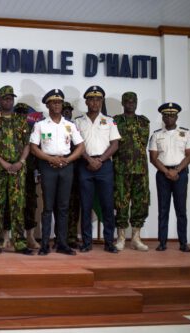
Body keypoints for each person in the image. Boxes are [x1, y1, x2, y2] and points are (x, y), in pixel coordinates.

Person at [30, 89, 84, 256]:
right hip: (48, 166)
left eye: (59, 102)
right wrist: (49, 159)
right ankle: (45, 243)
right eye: (53, 102)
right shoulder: (40, 125)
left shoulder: (70, 125)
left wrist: (68, 159)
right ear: (47, 105)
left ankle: (62, 243)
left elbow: (80, 146)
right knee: (48, 207)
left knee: (63, 207)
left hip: (66, 165)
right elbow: (33, 148)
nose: (57, 105)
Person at [0, 85, 33, 256]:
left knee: (18, 206)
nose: (8, 101)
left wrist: (21, 162)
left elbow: (27, 144)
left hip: (18, 170)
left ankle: (19, 242)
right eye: (5, 98)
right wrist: (3, 163)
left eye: (10, 98)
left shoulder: (21, 120)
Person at [74, 86, 121, 253]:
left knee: (108, 205)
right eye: (92, 99)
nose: (95, 102)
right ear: (86, 101)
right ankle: (87, 242)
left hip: (104, 165)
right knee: (85, 206)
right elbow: (76, 144)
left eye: (98, 99)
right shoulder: (78, 121)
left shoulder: (109, 121)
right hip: (84, 165)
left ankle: (109, 242)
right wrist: (88, 159)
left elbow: (115, 144)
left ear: (101, 102)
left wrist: (100, 159)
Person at [149, 102, 190, 252]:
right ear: (162, 117)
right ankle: (162, 242)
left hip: (180, 174)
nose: (169, 118)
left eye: (172, 115)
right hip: (163, 175)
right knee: (163, 209)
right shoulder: (156, 134)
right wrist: (167, 172)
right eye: (166, 115)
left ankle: (183, 243)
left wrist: (176, 170)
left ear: (177, 117)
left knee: (181, 209)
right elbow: (153, 158)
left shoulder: (186, 133)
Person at [113, 92, 150, 251]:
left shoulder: (143, 121)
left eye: (133, 101)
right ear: (123, 103)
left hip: (140, 170)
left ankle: (136, 237)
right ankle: (121, 237)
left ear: (136, 103)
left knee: (140, 204)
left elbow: (144, 144)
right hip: (121, 169)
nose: (130, 104)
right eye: (127, 101)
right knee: (121, 202)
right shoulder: (115, 121)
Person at [14, 102, 42, 250]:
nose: (21, 116)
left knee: (30, 204)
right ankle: (9, 237)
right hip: (12, 171)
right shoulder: (8, 128)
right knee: (11, 205)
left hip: (29, 172)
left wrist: (38, 172)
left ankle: (30, 236)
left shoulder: (33, 130)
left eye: (24, 113)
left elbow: (38, 152)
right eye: (18, 113)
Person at [60, 101, 80, 248]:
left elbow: (82, 147)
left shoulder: (75, 128)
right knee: (58, 205)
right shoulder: (53, 127)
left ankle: (72, 236)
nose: (67, 113)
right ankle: (59, 236)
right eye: (64, 110)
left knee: (74, 205)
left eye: (69, 111)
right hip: (58, 170)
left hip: (75, 171)